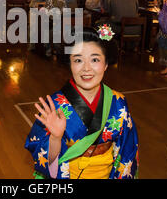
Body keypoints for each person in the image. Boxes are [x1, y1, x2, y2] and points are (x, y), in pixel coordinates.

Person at [24, 26, 139, 179]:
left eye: (95, 59)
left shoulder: (118, 102)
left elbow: (127, 150)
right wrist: (55, 138)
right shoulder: (53, 107)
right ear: (70, 64)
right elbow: (43, 159)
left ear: (105, 65)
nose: (86, 68)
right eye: (78, 60)